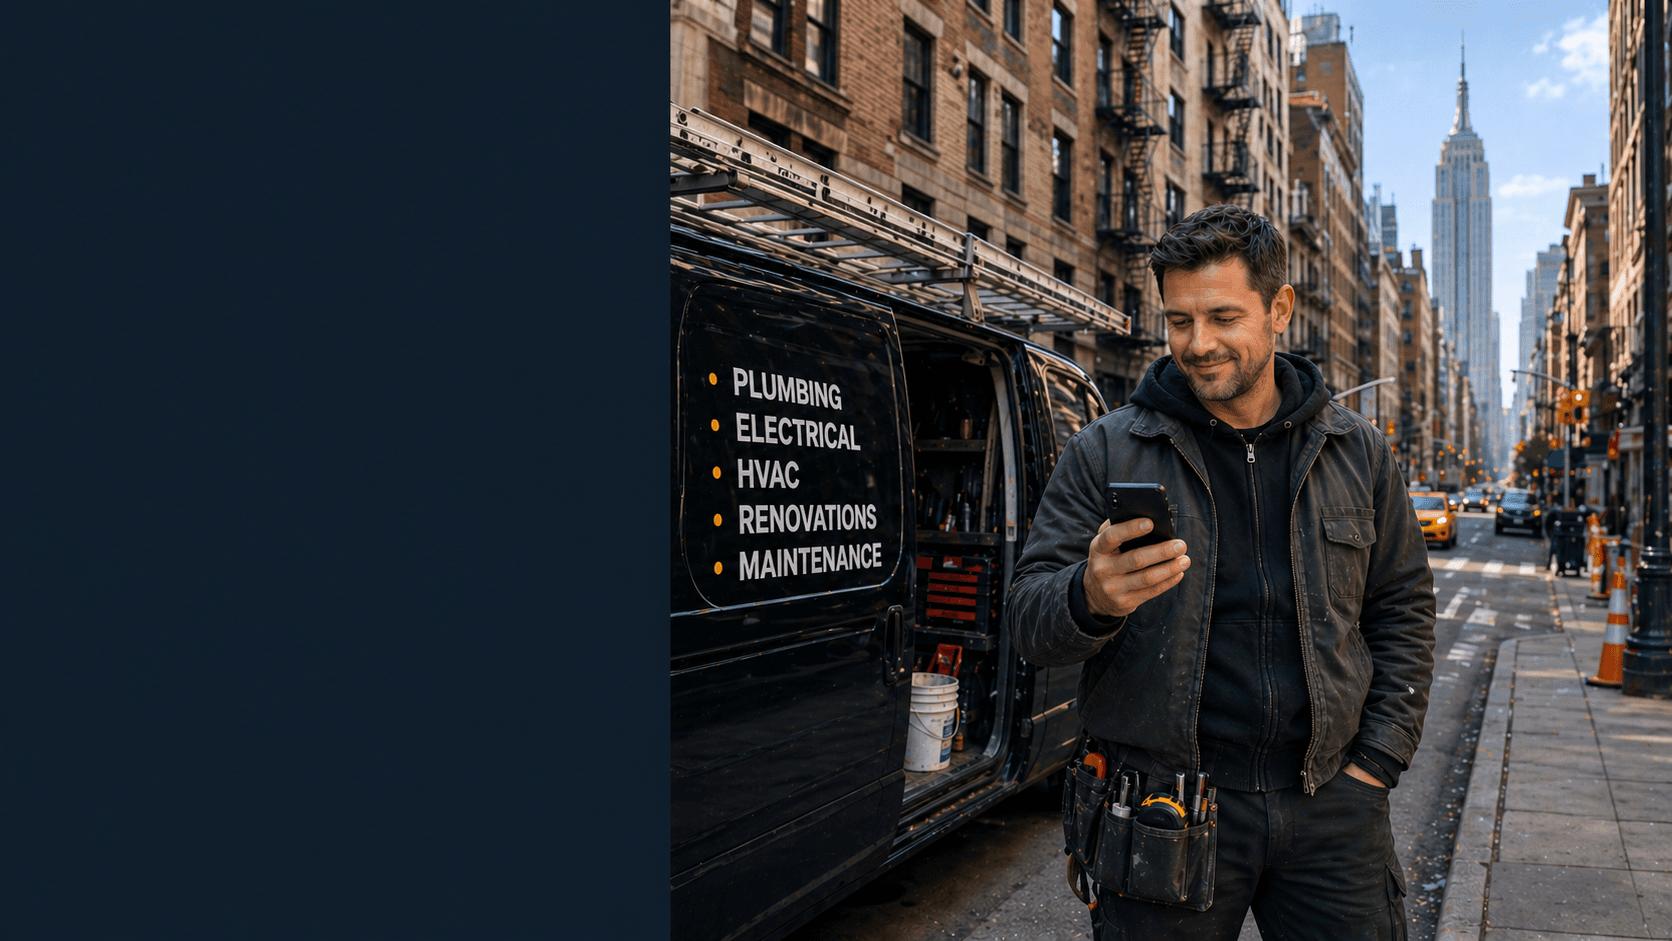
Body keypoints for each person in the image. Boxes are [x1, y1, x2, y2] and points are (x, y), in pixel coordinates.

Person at [1005, 205, 1436, 940]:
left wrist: (1376, 762)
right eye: (1179, 322)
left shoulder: (1357, 453)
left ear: (1280, 311)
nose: (1197, 345)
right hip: (1162, 806)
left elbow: (1402, 607)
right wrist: (1090, 596)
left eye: (1223, 317)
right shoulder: (1107, 450)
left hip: (1331, 804)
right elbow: (1028, 618)